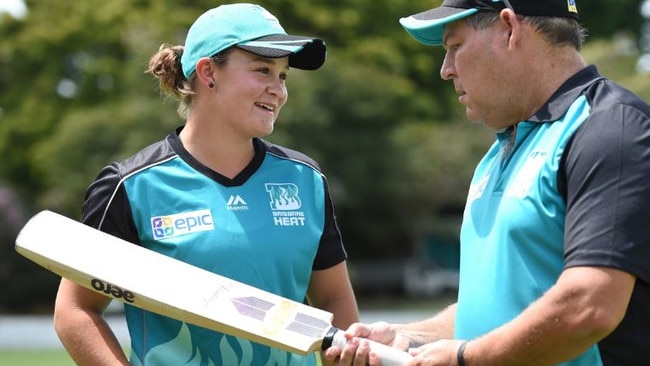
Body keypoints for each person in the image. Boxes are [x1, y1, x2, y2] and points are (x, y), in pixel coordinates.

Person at [323, 0, 650, 365]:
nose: (446, 70)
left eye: (454, 47)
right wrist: (406, 336)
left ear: (509, 28)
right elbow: (503, 305)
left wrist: (466, 358)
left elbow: (591, 306)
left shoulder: (610, 131)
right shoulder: (498, 154)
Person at [53, 3, 359, 365]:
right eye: (263, 70)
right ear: (209, 72)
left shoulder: (305, 180)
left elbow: (334, 300)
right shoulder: (131, 187)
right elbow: (75, 311)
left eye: (283, 76)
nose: (278, 90)